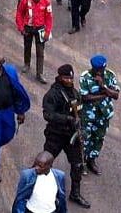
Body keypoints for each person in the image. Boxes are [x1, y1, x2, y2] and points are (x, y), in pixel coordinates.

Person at [41, 64, 91, 208]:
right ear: (60, 77)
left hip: (72, 136)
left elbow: (79, 112)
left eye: (71, 77)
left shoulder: (75, 93)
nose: (69, 80)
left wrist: (79, 127)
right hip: (56, 135)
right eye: (66, 78)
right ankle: (37, 189)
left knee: (77, 164)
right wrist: (67, 119)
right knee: (44, 162)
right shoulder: (53, 94)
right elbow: (48, 115)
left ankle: (75, 193)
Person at [77, 55, 119, 175]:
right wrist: (105, 94)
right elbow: (85, 97)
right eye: (98, 70)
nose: (100, 72)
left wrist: (103, 87)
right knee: (84, 138)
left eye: (102, 69)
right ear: (93, 68)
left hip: (103, 114)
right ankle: (82, 163)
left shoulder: (110, 75)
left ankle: (92, 160)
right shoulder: (85, 77)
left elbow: (116, 95)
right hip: (88, 114)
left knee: (98, 138)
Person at [16, 0, 53, 83]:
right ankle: (27, 63)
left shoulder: (46, 2)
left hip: (40, 29)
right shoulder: (25, 0)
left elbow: (49, 18)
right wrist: (21, 28)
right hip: (28, 27)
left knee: (40, 52)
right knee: (27, 47)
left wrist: (47, 32)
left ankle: (39, 73)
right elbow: (19, 13)